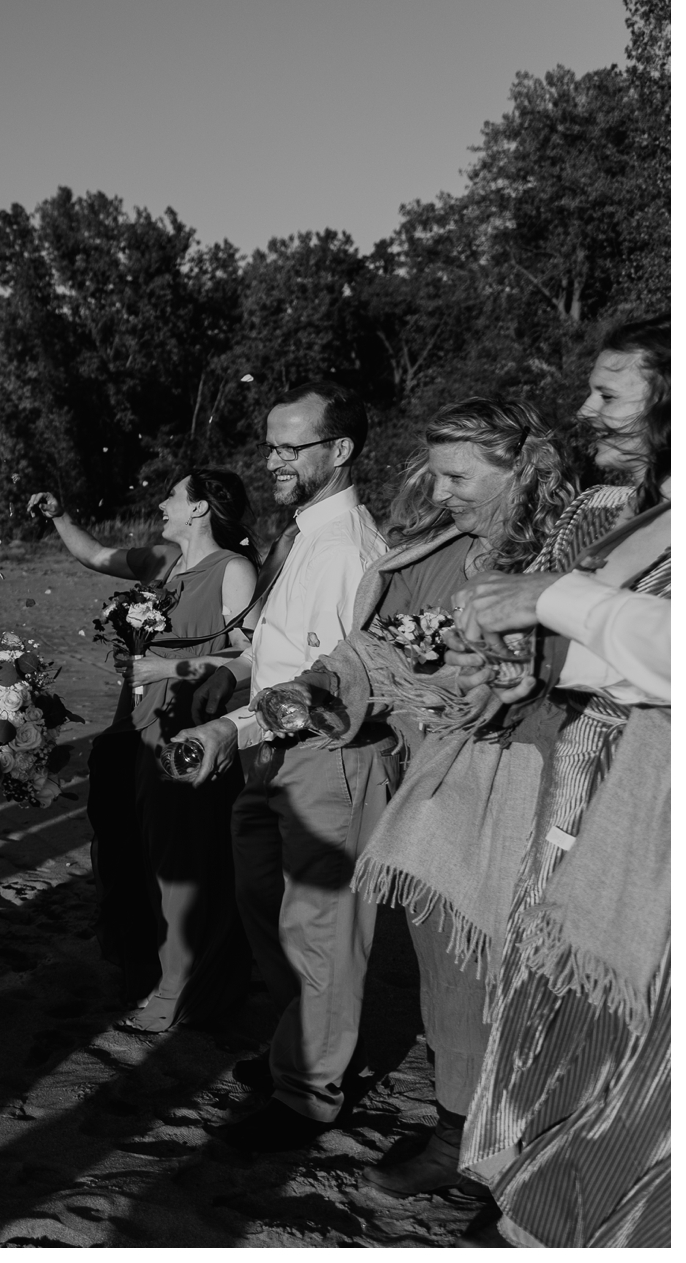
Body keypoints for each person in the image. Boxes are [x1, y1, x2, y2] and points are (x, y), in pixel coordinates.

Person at [246, 399, 578, 1196]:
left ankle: (532, 1144)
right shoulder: (434, 553)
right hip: (448, 788)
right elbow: (373, 647)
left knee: (537, 971)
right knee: (449, 961)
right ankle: (459, 1125)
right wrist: (317, 690)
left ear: (517, 468)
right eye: (436, 472)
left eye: (460, 475)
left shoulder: (578, 556)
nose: (444, 490)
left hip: (550, 787)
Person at [447, 317, 670, 1247]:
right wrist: (523, 653)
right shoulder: (649, 513)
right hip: (597, 795)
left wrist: (547, 603)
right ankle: (538, 1186)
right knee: (568, 999)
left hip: (650, 824)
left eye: (611, 392)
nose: (585, 411)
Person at [167, 380, 393, 1152]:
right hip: (269, 753)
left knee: (322, 929)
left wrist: (233, 730)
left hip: (326, 755)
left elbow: (329, 680)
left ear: (342, 450)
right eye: (269, 445)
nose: (273, 459)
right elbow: (281, 653)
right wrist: (230, 681)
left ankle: (309, 1096)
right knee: (270, 912)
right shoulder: (300, 536)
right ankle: (297, 1046)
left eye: (290, 445)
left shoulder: (346, 548)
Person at [26, 472, 257, 1032]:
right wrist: (59, 515)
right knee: (126, 850)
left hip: (185, 727)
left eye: (173, 496)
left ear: (199, 508)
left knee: (179, 863)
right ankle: (144, 967)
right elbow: (96, 555)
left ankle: (182, 986)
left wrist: (169, 667)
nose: (160, 503)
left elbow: (256, 659)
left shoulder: (234, 570)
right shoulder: (161, 559)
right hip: (130, 724)